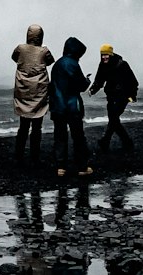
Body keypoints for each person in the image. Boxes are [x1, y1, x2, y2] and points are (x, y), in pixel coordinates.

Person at [49, 36, 93, 178]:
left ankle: (61, 167)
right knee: (78, 136)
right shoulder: (73, 64)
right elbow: (80, 86)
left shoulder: (57, 65)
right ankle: (82, 167)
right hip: (72, 106)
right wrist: (87, 80)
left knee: (60, 136)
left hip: (57, 106)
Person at [11, 24, 54, 165]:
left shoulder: (20, 49)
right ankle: (35, 155)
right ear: (41, 36)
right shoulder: (44, 51)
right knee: (37, 126)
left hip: (24, 91)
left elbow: (14, 58)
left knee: (23, 125)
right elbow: (50, 61)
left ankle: (19, 154)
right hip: (39, 93)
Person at [88, 43, 138, 153]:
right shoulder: (102, 65)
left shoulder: (122, 64)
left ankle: (108, 141)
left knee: (114, 119)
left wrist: (132, 96)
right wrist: (93, 90)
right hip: (110, 97)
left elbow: (133, 82)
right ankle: (121, 142)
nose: (104, 57)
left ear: (110, 54)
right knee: (113, 120)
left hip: (122, 97)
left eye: (106, 55)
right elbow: (99, 80)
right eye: (102, 55)